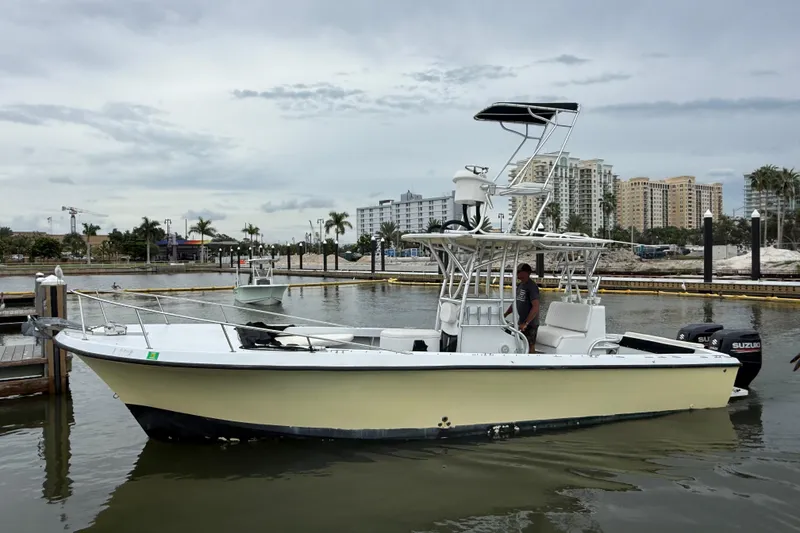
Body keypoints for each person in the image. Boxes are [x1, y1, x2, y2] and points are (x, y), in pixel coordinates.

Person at [504, 263, 540, 353]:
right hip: (521, 321)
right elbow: (515, 303)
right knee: (520, 342)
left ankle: (533, 364)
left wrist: (526, 323)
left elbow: (535, 307)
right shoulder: (520, 286)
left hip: (531, 323)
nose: (517, 274)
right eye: (517, 271)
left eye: (519, 271)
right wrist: (505, 314)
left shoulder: (532, 287)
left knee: (530, 345)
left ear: (526, 273)